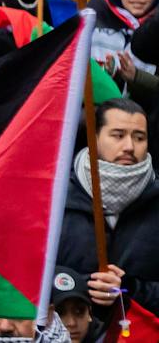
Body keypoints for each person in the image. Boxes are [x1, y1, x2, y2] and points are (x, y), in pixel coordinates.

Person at [55, 98, 159, 314]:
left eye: (139, 137)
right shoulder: (58, 199)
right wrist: (80, 288)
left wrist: (128, 288)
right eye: (118, 135)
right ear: (94, 138)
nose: (129, 146)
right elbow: (33, 277)